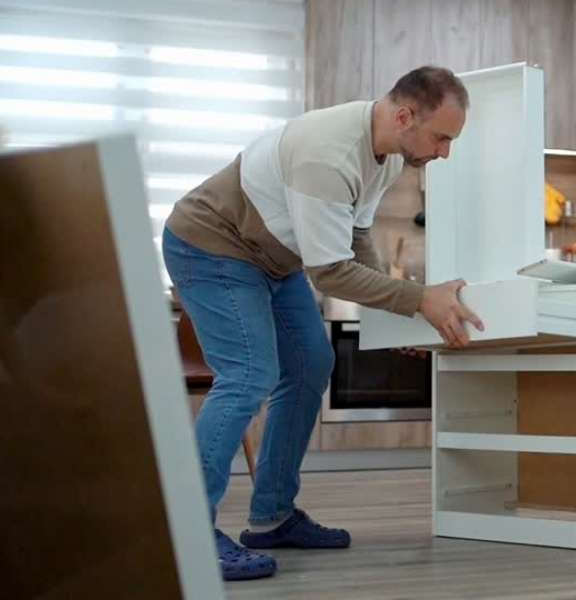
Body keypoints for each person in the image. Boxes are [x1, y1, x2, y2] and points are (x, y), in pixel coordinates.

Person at [162, 65, 484, 581]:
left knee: (312, 362)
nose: (445, 151)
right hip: (211, 243)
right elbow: (330, 271)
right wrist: (416, 298)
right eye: (441, 137)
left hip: (272, 257)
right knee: (249, 374)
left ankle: (271, 517)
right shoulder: (327, 152)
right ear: (405, 116)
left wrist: (394, 314)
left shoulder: (383, 155)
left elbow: (354, 241)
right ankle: (184, 532)